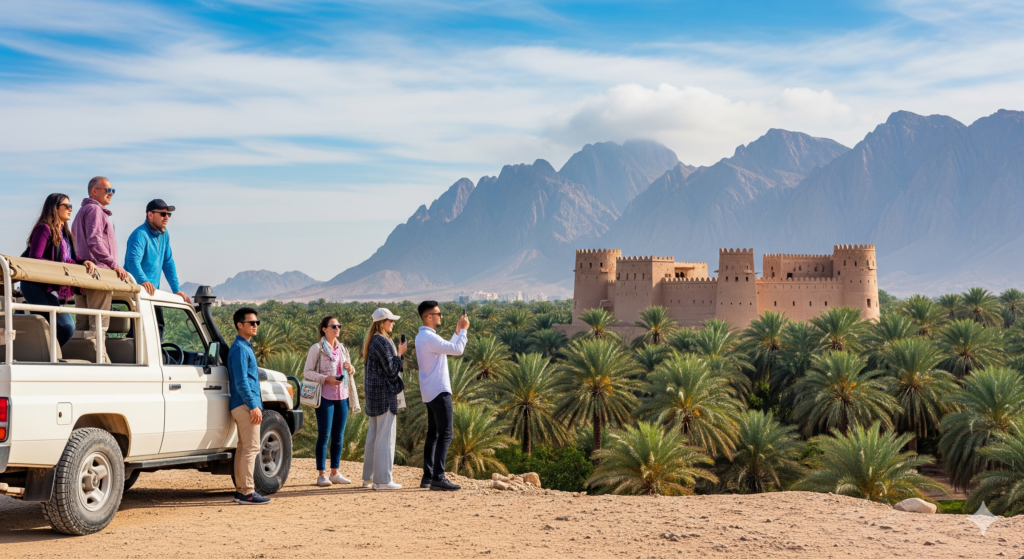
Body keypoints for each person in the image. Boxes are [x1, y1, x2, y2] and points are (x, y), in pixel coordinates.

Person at [20, 193, 96, 346]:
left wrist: (84, 262)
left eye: (71, 206)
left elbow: (71, 258)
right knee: (66, 326)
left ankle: (46, 355)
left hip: (48, 288)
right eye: (66, 206)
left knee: (61, 326)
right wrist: (62, 268)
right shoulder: (44, 229)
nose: (70, 209)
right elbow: (35, 258)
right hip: (35, 286)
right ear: (55, 208)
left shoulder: (65, 233)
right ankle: (45, 356)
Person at [71, 176, 128, 363]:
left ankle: (82, 360)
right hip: (98, 274)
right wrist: (113, 265)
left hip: (82, 275)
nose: (111, 194)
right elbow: (95, 240)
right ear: (94, 191)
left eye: (113, 190)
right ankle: (101, 362)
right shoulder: (95, 210)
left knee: (82, 325)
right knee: (99, 324)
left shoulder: (81, 212)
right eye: (107, 190)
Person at [415, 301, 469, 491]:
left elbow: (448, 347)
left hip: (430, 392)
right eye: (438, 314)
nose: (441, 316)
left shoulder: (423, 337)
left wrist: (457, 331)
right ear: (428, 317)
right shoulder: (429, 338)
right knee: (446, 434)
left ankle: (428, 476)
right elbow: (458, 350)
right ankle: (438, 477)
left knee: (434, 434)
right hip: (439, 391)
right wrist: (464, 331)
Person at [304, 316, 360, 487]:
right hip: (325, 397)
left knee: (338, 436)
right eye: (333, 326)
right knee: (324, 435)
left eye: (339, 326)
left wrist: (351, 368)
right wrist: (326, 379)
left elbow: (350, 369)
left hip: (342, 396)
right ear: (324, 329)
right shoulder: (317, 349)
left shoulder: (342, 349)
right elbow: (307, 372)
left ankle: (334, 472)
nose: (337, 329)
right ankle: (321, 474)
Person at [227, 307, 271, 505]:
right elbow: (241, 382)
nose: (255, 326)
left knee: (243, 448)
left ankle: (241, 491)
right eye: (251, 323)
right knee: (251, 449)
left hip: (242, 404)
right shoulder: (240, 349)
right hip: (245, 404)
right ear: (239, 325)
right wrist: (253, 405)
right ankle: (247, 492)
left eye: (257, 323)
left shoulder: (243, 348)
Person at [361, 307, 406, 491]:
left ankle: (369, 478)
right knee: (385, 438)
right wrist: (400, 354)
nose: (393, 323)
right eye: (391, 320)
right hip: (385, 396)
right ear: (382, 322)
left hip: (373, 396)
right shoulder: (383, 342)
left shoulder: (372, 341)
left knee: (373, 436)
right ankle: (383, 481)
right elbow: (391, 369)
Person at [124, 199, 191, 304]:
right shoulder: (139, 235)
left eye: (168, 214)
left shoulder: (164, 234)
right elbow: (132, 261)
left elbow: (168, 263)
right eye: (163, 214)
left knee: (159, 321)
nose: (167, 217)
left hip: (153, 294)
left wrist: (176, 290)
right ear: (150, 215)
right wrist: (143, 281)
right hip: (134, 295)